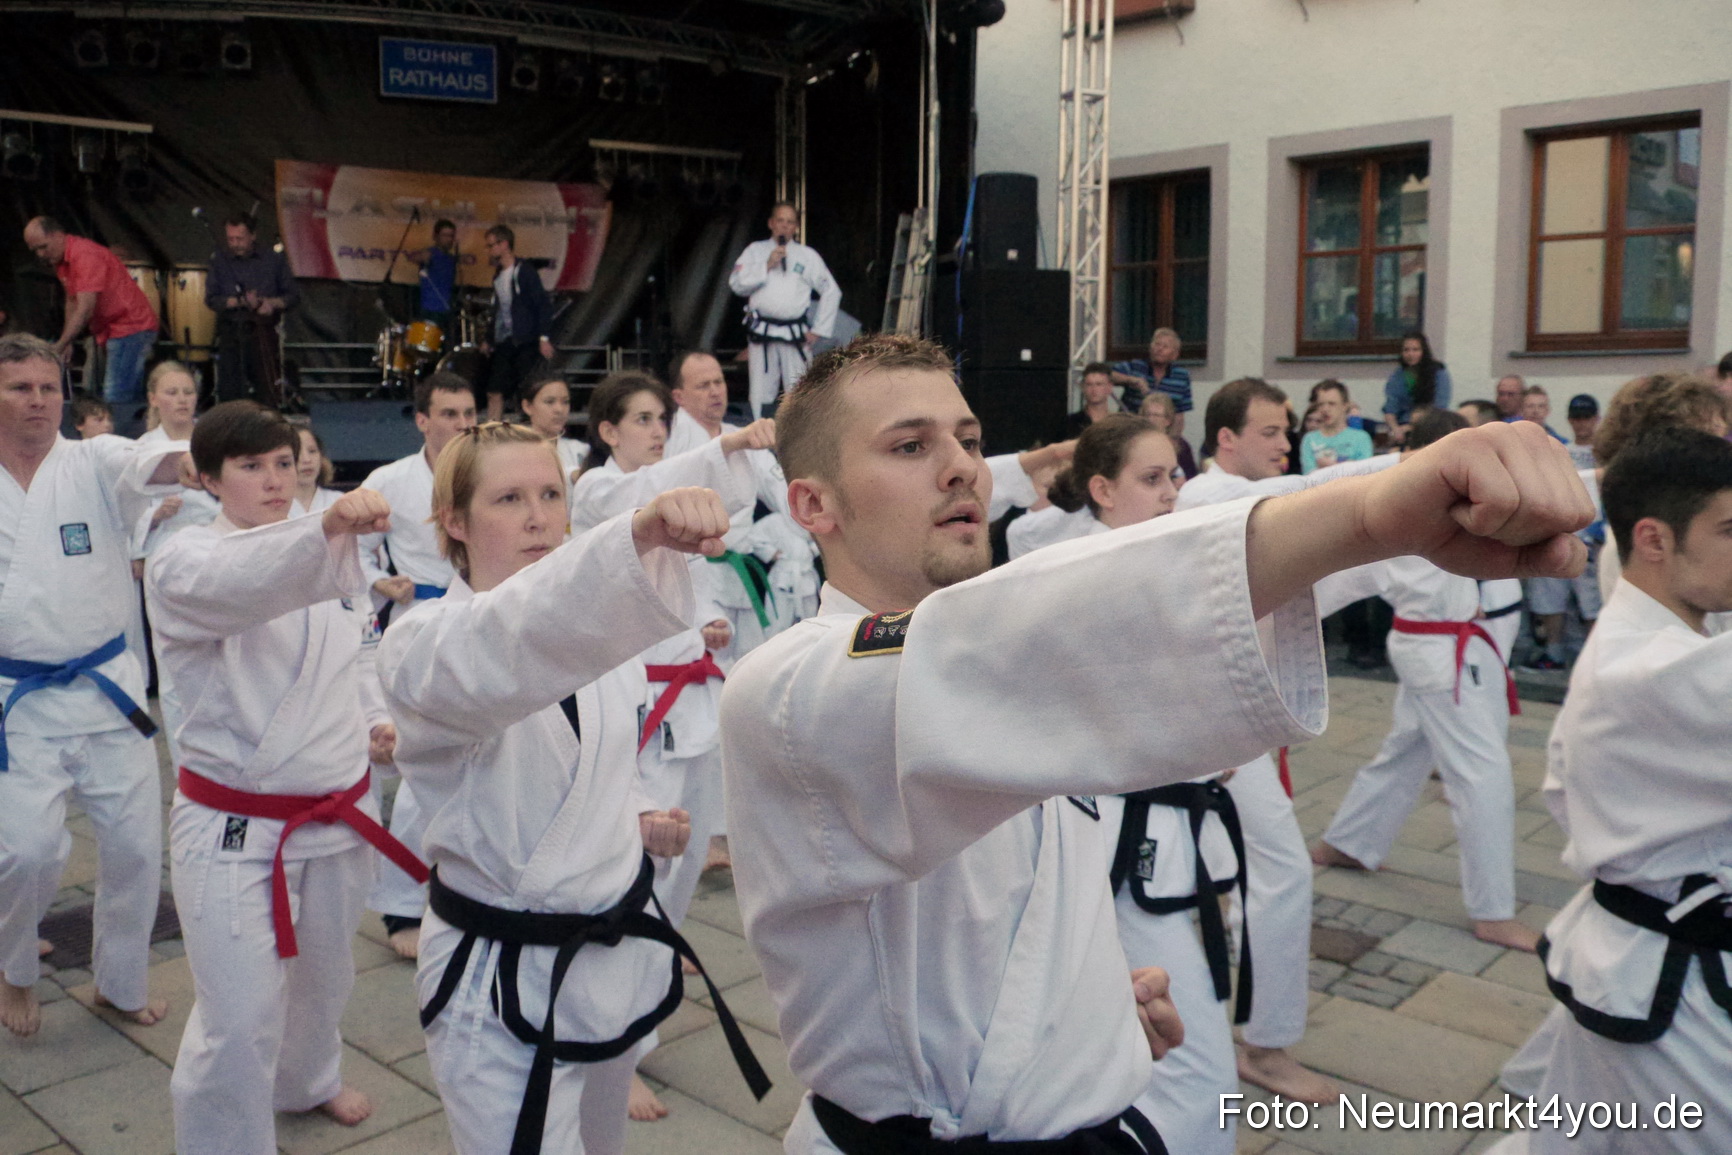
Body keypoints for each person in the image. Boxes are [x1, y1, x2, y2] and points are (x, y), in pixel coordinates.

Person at [721, 333, 1591, 1152]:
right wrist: (1369, 514)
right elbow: (1014, 636)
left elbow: (999, 920)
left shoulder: (1011, 675)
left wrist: (1090, 1015)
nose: (962, 468)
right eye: (910, 446)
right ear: (812, 504)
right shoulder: (789, 692)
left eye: (968, 436)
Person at [378, 422, 767, 1155]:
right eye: (509, 497)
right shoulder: (422, 644)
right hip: (500, 977)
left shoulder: (598, 639)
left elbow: (596, 769)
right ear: (454, 521)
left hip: (609, 956)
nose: (538, 515)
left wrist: (637, 817)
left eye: (551, 492)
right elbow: (511, 640)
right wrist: (636, 533)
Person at [149, 401, 416, 1154]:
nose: (275, 478)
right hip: (238, 823)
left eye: (285, 461)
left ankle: (306, 1080)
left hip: (339, 806)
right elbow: (254, 576)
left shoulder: (328, 551)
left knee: (326, 979)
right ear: (206, 478)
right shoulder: (185, 561)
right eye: (251, 465)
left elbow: (356, 651)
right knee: (237, 1014)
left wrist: (376, 719)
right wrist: (324, 530)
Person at [1484, 427, 1732, 1155]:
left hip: (1627, 959)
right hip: (1670, 987)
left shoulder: (1666, 634)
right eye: (1730, 529)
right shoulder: (1657, 670)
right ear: (1653, 539)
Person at [0, 333, 186, 1037]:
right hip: (17, 701)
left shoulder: (94, 459)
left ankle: (119, 980)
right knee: (25, 851)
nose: (38, 401)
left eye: (49, 388)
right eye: (20, 387)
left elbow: (150, 458)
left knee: (137, 849)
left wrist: (194, 459)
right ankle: (14, 965)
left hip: (108, 688)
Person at [1310, 408, 1539, 952]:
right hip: (1443, 653)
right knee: (1482, 774)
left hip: (1434, 647)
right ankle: (1492, 911)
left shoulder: (1405, 505)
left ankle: (1347, 842)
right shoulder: (1423, 511)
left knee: (1407, 750)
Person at [356, 372, 477, 958]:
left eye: (468, 412)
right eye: (448, 414)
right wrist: (380, 581)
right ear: (423, 420)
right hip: (417, 623)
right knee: (418, 762)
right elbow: (353, 549)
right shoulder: (389, 481)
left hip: (482, 617)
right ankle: (401, 906)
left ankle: (471, 886)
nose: (460, 424)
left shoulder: (488, 468)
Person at [22, 216, 159, 434]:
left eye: (43, 247)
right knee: (104, 396)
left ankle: (121, 451)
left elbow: (85, 307)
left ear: (58, 235)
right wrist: (67, 341)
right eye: (35, 250)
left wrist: (61, 344)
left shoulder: (85, 255)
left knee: (116, 398)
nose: (41, 255)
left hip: (130, 327)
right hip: (111, 330)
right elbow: (71, 300)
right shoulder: (62, 261)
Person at [728, 202, 841, 417]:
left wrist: (818, 330)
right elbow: (736, 284)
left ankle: (801, 436)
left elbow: (831, 291)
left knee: (800, 387)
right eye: (780, 220)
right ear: (771, 223)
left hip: (794, 332)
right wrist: (766, 265)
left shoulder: (808, 256)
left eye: (790, 222)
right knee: (761, 388)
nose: (785, 226)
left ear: (796, 227)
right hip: (762, 330)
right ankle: (760, 430)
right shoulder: (755, 251)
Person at [207, 215, 299, 405]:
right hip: (232, 330)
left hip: (263, 330)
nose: (235, 244)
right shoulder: (220, 261)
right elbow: (211, 300)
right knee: (231, 390)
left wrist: (271, 304)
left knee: (267, 389)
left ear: (253, 235)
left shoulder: (273, 260)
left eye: (239, 239)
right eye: (230, 239)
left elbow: (292, 296)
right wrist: (240, 301)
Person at [482, 225, 555, 424]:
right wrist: (489, 338)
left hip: (525, 340)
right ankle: (491, 434)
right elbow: (498, 309)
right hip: (504, 339)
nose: (489, 250)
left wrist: (543, 338)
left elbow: (541, 304)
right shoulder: (498, 275)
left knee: (529, 390)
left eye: (491, 246)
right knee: (494, 390)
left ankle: (535, 431)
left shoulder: (524, 271)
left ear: (504, 244)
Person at [1111, 327, 1192, 437]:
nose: (1159, 349)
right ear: (1150, 347)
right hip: (1128, 434)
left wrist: (1172, 441)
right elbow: (1106, 375)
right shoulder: (1135, 367)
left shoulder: (1181, 376)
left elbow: (1179, 415)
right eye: (1157, 344)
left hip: (1161, 436)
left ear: (1175, 354)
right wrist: (1131, 380)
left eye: (1165, 346)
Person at [1382, 331, 1451, 444]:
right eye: (1406, 350)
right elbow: (1390, 407)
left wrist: (1411, 427)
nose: (1411, 354)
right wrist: (1395, 429)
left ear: (1424, 351)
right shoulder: (1398, 375)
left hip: (1430, 427)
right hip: (1402, 429)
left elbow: (1440, 407)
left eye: (1415, 350)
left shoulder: (1438, 372)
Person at [1300, 380, 1374, 473]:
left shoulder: (1361, 438)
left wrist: (1330, 467)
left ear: (1345, 406)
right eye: (1321, 404)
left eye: (1332, 404)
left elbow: (1365, 473)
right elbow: (1309, 475)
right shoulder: (1310, 439)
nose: (1325, 409)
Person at [519, 374, 584, 478]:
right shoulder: (511, 452)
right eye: (549, 402)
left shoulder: (580, 451)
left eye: (565, 402)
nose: (559, 409)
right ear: (527, 406)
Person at [412, 218, 460, 338]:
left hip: (447, 312)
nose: (448, 239)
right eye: (445, 235)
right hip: (430, 311)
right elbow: (416, 257)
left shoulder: (451, 258)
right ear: (436, 236)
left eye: (451, 236)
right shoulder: (431, 253)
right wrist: (423, 257)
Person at [1052, 362, 1121, 441]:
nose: (1094, 389)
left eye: (1099, 384)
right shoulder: (1069, 423)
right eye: (1089, 384)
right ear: (1083, 387)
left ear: (1109, 388)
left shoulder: (1117, 424)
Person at [1138, 390, 1197, 480]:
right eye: (1147, 414)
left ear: (1167, 421)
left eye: (1156, 415)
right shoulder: (1134, 445)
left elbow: (1192, 479)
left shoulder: (1181, 447)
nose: (1150, 419)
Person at [290, 420, 343, 514]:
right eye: (297, 452)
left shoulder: (339, 501)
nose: (307, 460)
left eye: (312, 451)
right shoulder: (271, 506)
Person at [1564, 394, 1600, 469]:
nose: (1582, 423)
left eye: (1587, 418)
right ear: (1569, 420)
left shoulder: (1604, 453)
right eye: (1577, 418)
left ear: (1596, 419)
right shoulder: (1562, 453)